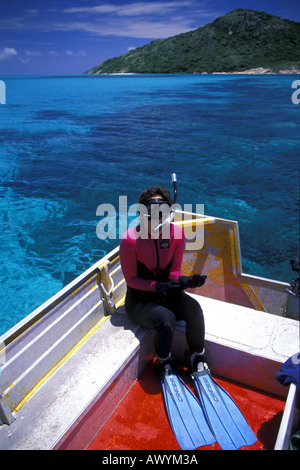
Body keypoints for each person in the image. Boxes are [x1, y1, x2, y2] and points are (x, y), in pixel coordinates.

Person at [119, 185, 207, 378]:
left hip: (166, 293)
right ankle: (163, 362)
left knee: (194, 309)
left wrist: (185, 281)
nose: (158, 218)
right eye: (151, 212)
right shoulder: (130, 240)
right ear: (142, 214)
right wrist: (157, 286)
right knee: (166, 319)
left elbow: (174, 272)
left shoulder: (177, 235)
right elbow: (131, 280)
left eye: (163, 212)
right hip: (140, 301)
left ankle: (196, 357)